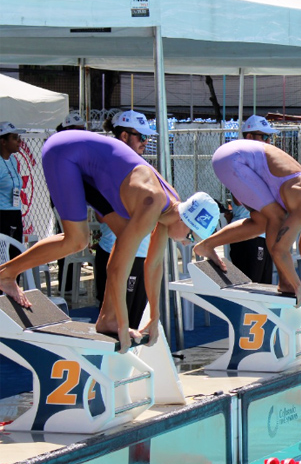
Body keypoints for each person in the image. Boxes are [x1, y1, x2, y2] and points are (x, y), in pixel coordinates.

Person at [0, 121, 215, 352]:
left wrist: (154, 316)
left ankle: (107, 318)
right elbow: (115, 269)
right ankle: (6, 274)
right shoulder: (152, 203)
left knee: (127, 241)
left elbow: (153, 266)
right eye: (191, 237)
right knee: (77, 240)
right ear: (184, 220)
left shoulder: (169, 211)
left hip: (92, 168)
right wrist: (124, 324)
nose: (185, 243)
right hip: (65, 153)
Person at [193, 140, 301, 302]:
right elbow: (279, 249)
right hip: (233, 160)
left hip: (235, 158)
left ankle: (206, 246)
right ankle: (285, 283)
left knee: (262, 222)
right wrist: (296, 285)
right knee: (276, 217)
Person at [93, 112, 158, 330]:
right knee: (117, 327)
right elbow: (101, 214)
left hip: (140, 253)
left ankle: (130, 365)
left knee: (136, 323)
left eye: (146, 137)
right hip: (118, 252)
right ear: (123, 136)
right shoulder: (109, 168)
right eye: (141, 137)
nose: (145, 142)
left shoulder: (140, 168)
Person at [227, 115, 276, 284]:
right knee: (251, 290)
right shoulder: (237, 162)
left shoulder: (261, 164)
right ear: (249, 137)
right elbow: (241, 199)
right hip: (248, 235)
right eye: (264, 136)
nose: (268, 141)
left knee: (264, 290)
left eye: (269, 137)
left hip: (263, 233)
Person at [0, 123, 25, 257]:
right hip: (2, 214)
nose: (19, 141)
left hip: (15, 212)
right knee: (4, 256)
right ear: (3, 142)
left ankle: (15, 279)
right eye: (15, 138)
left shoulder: (13, 160)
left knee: (16, 254)